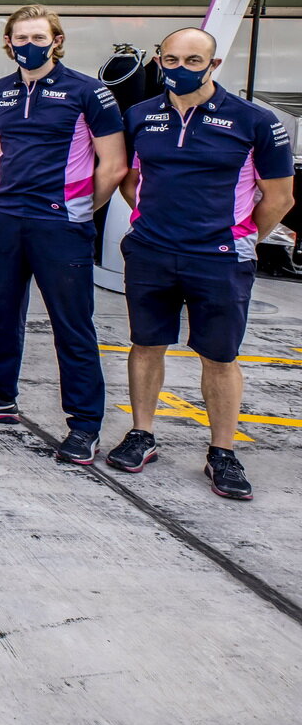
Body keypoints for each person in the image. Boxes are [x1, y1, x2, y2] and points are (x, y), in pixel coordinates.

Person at [110, 28, 295, 498]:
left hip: (219, 258)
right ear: (158, 60)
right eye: (171, 59)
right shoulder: (139, 115)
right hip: (152, 251)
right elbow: (131, 179)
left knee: (219, 356)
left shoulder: (254, 121)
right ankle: (142, 434)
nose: (180, 69)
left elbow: (280, 197)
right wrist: (145, 218)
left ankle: (223, 452)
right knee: (146, 344)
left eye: (194, 61)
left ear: (213, 66)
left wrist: (239, 234)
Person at [0, 4, 127, 466]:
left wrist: (78, 211)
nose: (27, 46)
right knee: (2, 315)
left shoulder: (89, 92)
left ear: (56, 40)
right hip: (8, 218)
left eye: (37, 38)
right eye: (19, 38)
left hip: (61, 225)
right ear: (8, 43)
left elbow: (113, 166)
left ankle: (85, 424)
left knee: (71, 326)